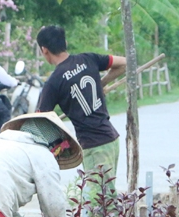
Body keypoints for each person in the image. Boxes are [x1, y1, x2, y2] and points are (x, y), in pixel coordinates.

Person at [36, 25, 126, 193]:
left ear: (44, 50)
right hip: (111, 140)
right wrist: (102, 83)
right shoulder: (88, 59)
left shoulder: (53, 82)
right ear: (65, 43)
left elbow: (40, 120)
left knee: (101, 203)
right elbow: (123, 63)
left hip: (95, 146)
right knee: (104, 197)